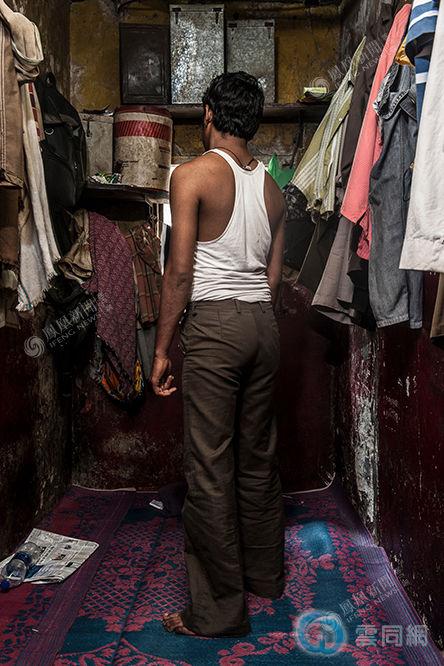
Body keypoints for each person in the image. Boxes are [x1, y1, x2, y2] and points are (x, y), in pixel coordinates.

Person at [150, 71, 286, 638]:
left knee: (209, 468)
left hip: (216, 325)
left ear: (209, 113)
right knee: (257, 457)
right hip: (263, 325)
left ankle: (218, 613)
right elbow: (273, 281)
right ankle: (265, 577)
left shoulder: (191, 175)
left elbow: (180, 272)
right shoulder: (274, 190)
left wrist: (162, 349)